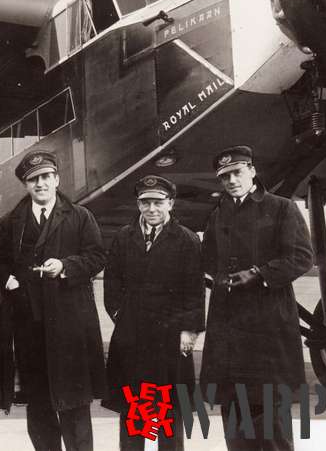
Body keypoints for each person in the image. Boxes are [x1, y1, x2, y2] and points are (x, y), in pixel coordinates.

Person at [0, 150, 106, 451]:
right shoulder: (11, 221)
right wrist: (6, 280)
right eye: (33, 180)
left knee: (74, 402)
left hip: (69, 327)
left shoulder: (80, 217)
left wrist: (66, 266)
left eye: (45, 177)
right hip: (29, 328)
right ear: (25, 185)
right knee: (38, 403)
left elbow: (97, 256)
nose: (40, 184)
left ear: (56, 179)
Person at [200, 145, 313, 451]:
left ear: (252, 170)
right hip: (229, 334)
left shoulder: (281, 208)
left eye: (237, 172)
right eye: (224, 177)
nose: (231, 181)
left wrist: (259, 274)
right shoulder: (218, 215)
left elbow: (302, 257)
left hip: (268, 333)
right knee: (236, 431)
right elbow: (209, 259)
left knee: (273, 429)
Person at [103, 175, 204, 450]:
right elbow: (112, 284)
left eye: (158, 202)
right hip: (133, 339)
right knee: (135, 412)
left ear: (170, 203)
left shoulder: (187, 240)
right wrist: (122, 317)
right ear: (138, 204)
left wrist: (188, 329)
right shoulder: (124, 238)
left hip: (170, 340)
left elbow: (194, 290)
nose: (151, 209)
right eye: (145, 202)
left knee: (168, 414)